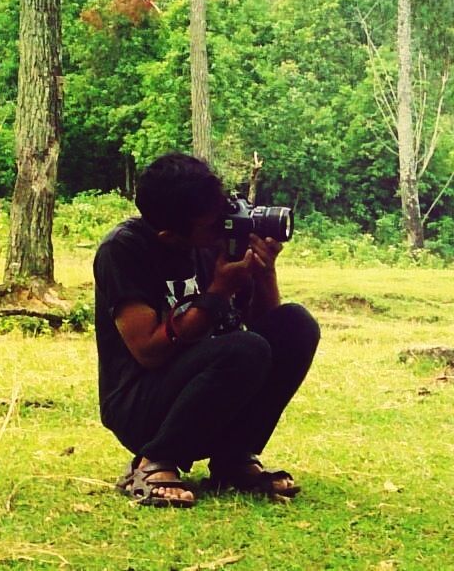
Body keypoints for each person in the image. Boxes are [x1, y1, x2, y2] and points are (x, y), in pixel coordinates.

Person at [93, 152, 319, 507]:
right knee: (244, 349)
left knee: (295, 325)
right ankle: (154, 462)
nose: (224, 224)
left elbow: (266, 333)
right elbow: (149, 352)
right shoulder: (124, 249)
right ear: (171, 235)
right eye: (212, 224)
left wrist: (264, 271)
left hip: (214, 391)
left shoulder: (221, 239)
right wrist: (217, 293)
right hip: (141, 404)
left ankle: (233, 458)